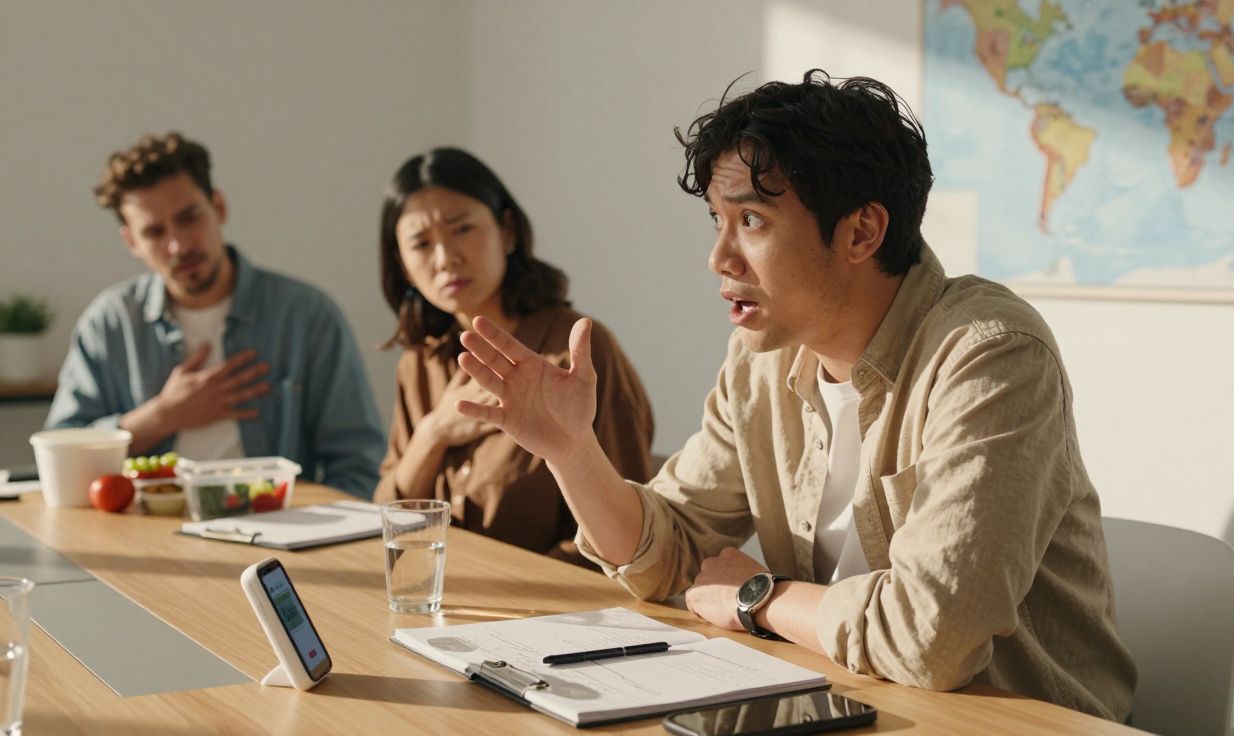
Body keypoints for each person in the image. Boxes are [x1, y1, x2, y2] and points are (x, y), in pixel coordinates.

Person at [452, 71, 1136, 720]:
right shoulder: (761, 361)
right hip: (846, 702)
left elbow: (932, 637)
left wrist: (760, 597)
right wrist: (572, 451)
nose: (719, 258)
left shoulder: (989, 354)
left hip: (1006, 721)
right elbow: (670, 554)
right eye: (717, 221)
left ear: (861, 231)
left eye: (751, 221)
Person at [47, 132, 386, 497]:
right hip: (145, 524)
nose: (179, 245)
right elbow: (59, 454)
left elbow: (360, 466)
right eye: (155, 232)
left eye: (189, 218)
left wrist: (313, 524)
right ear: (132, 242)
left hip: (279, 524)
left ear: (219, 207)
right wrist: (161, 417)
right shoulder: (109, 323)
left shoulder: (307, 316)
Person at [371, 147, 654, 567]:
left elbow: (630, 535)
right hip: (441, 593)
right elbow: (388, 518)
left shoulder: (577, 352)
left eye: (462, 229)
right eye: (421, 244)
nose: (446, 259)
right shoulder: (419, 363)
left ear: (507, 231)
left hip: (554, 600)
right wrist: (434, 433)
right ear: (403, 265)